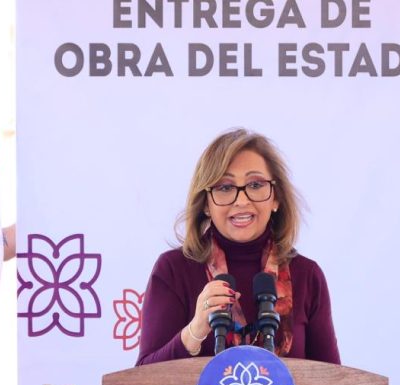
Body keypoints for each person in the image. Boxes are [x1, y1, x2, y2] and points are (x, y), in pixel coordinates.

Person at [136, 129, 340, 365]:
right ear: (206, 204)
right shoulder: (174, 270)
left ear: (276, 198)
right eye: (225, 187)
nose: (242, 201)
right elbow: (143, 377)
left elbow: (333, 381)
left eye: (255, 184)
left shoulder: (307, 275)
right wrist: (194, 332)